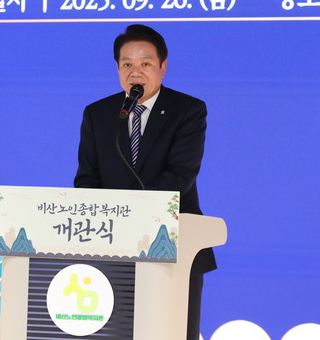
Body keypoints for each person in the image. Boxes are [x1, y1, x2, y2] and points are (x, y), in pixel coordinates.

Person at [74, 23, 216, 340]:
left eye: (145, 63)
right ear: (117, 68)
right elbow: (86, 180)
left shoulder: (188, 110)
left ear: (163, 66)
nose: (135, 72)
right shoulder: (97, 114)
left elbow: (179, 176)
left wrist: (128, 216)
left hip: (174, 247)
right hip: (111, 250)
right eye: (127, 64)